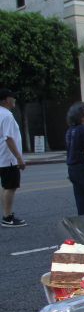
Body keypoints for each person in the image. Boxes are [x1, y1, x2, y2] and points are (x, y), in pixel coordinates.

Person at [0, 88, 26, 227]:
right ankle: (7, 217)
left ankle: (6, 214)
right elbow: (9, 138)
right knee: (10, 187)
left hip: (2, 157)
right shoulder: (7, 115)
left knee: (5, 187)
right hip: (9, 158)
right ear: (6, 100)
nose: (14, 99)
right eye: (12, 97)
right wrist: (19, 158)